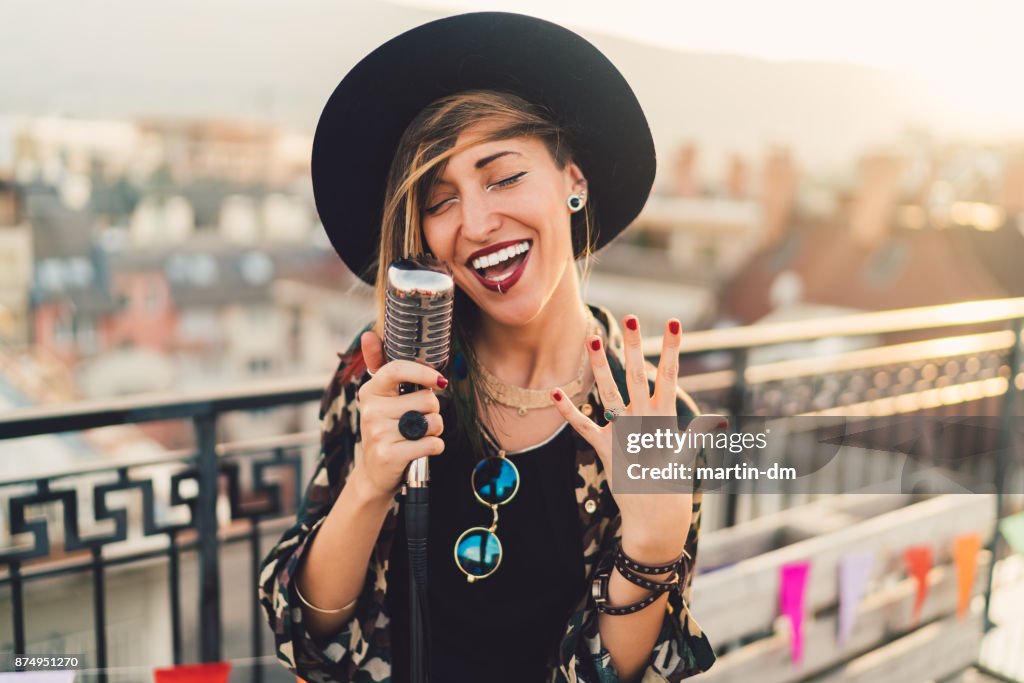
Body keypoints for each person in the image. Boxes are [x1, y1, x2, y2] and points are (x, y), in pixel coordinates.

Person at [259, 12, 716, 683]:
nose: (476, 222)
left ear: (573, 181)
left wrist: (649, 546)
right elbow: (306, 640)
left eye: (502, 177)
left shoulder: (653, 422)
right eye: (440, 200)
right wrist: (368, 481)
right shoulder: (390, 378)